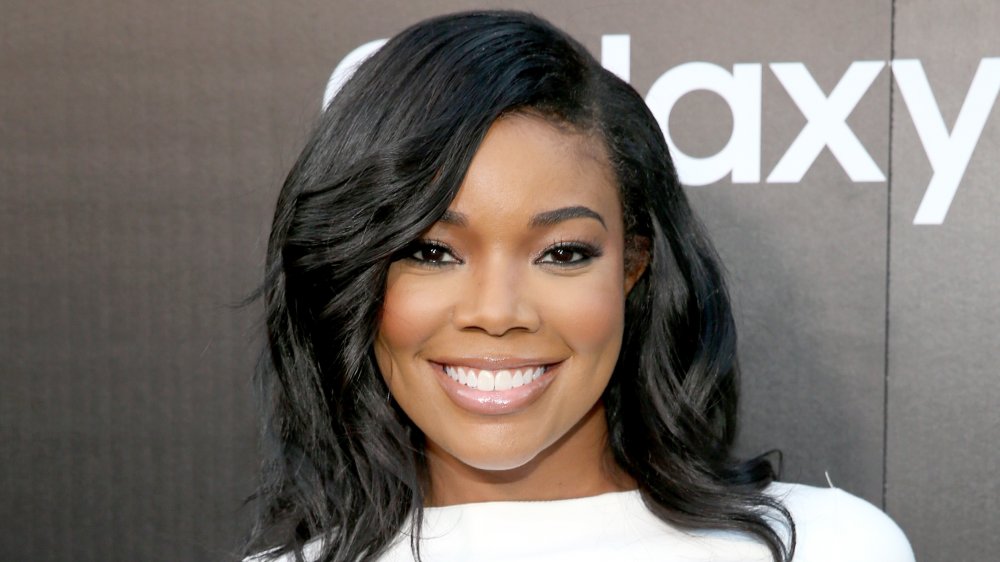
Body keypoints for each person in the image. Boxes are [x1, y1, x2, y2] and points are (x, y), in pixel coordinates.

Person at [243, 10, 913, 562]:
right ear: (355, 274)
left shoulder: (831, 547)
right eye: (432, 251)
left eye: (562, 252)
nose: (496, 312)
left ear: (633, 266)